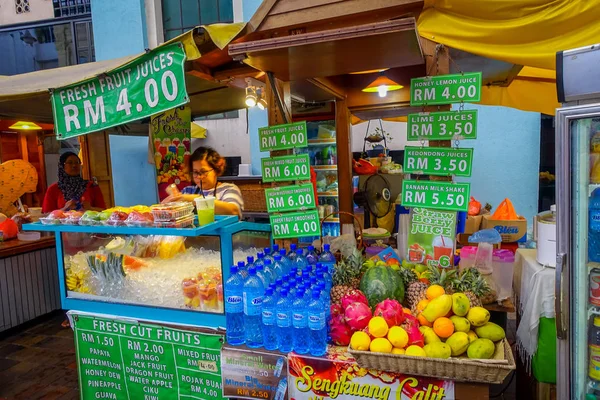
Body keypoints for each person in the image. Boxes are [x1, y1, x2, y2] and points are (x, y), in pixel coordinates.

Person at [162, 146, 243, 217]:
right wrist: (171, 200)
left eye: (203, 172)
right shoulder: (188, 191)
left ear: (216, 170)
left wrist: (194, 199)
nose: (199, 177)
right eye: (195, 172)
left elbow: (234, 211)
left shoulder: (229, 189)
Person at [42, 152, 106, 213]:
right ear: (62, 166)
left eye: (77, 162)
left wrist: (91, 208)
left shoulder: (91, 186)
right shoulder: (53, 189)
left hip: (88, 223)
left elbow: (104, 211)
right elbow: (45, 215)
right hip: (63, 224)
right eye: (70, 163)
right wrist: (64, 209)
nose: (74, 165)